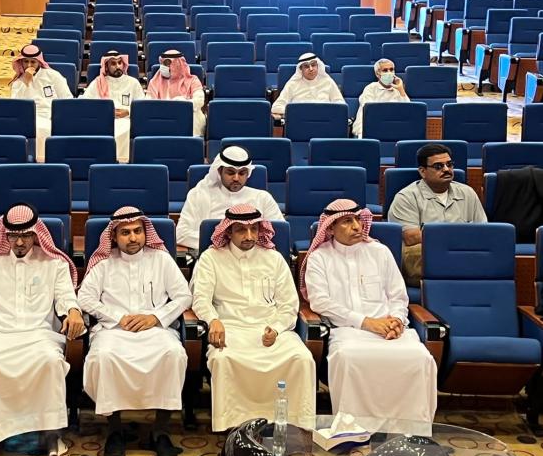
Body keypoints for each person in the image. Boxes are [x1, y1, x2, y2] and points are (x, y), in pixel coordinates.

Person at [0, 203, 85, 456]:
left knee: (50, 361)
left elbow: (66, 296)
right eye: (14, 236)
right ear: (5, 235)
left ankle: (51, 435)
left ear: (36, 233)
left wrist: (73, 311)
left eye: (26, 235)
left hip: (39, 335)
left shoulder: (54, 263)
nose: (20, 242)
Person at [301, 199, 437, 435]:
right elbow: (320, 302)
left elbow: (398, 295)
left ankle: (412, 433)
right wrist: (366, 323)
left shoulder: (380, 252)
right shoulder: (319, 258)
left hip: (389, 330)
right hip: (348, 332)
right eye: (347, 221)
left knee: (420, 358)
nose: (357, 226)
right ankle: (354, 432)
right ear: (330, 227)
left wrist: (397, 321)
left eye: (357, 219)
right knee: (348, 358)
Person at [77, 206, 192, 456]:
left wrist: (155, 317)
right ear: (114, 236)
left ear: (145, 233)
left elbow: (184, 296)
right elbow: (84, 297)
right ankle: (114, 430)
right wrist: (117, 317)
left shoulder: (161, 259)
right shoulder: (104, 262)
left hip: (155, 330)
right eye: (125, 232)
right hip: (113, 331)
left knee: (173, 354)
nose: (133, 238)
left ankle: (160, 431)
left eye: (138, 231)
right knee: (103, 357)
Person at [191, 204, 316, 432]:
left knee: (301, 358)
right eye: (241, 230)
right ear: (228, 231)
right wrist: (213, 320)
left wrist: (276, 328)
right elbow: (200, 298)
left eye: (254, 229)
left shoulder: (274, 258)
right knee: (223, 360)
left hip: (271, 329)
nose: (249, 236)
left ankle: (292, 426)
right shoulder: (211, 258)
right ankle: (234, 427)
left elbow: (289, 304)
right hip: (230, 328)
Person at [387, 143, 487, 286]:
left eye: (449, 164)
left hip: (462, 254)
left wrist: (443, 238)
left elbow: (483, 232)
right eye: (438, 166)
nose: (446, 169)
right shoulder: (406, 197)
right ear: (423, 171)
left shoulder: (467, 193)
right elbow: (410, 238)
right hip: (426, 261)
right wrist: (461, 234)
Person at [176, 145, 283, 252]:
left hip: (255, 256)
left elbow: (280, 233)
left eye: (242, 173)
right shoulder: (199, 195)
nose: (236, 178)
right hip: (213, 255)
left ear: (248, 173)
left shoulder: (263, 197)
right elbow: (181, 234)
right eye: (230, 172)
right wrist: (225, 242)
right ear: (219, 171)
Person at [10, 44, 73, 162]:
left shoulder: (53, 76)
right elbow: (15, 105)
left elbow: (67, 99)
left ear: (39, 62)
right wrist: (26, 81)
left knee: (44, 128)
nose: (29, 65)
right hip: (27, 118)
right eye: (26, 61)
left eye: (33, 62)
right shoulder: (18, 83)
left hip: (51, 116)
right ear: (21, 62)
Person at [82, 50, 144, 162]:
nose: (118, 66)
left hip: (127, 120)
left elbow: (142, 108)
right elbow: (86, 105)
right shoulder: (97, 83)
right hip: (103, 121)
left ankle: (123, 162)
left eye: (120, 63)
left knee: (127, 129)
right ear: (106, 66)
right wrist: (105, 113)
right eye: (113, 64)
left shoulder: (133, 82)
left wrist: (128, 112)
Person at [146, 49, 206, 136]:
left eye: (167, 64)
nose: (164, 67)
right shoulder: (155, 81)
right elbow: (148, 102)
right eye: (163, 64)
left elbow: (199, 100)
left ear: (178, 64)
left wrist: (183, 103)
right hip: (162, 116)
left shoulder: (193, 80)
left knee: (194, 118)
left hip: (186, 115)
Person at [271, 52, 344, 118]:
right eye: (306, 66)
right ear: (301, 69)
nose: (311, 69)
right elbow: (276, 107)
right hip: (300, 121)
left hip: (324, 120)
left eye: (313, 65)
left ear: (318, 66)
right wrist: (299, 111)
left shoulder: (328, 82)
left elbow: (341, 104)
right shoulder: (292, 84)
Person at [352, 58, 410, 138]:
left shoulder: (398, 89)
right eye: (385, 70)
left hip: (393, 127)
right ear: (377, 74)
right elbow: (370, 112)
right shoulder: (370, 88)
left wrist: (401, 90)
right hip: (370, 127)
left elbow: (408, 111)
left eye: (391, 69)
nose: (389, 73)